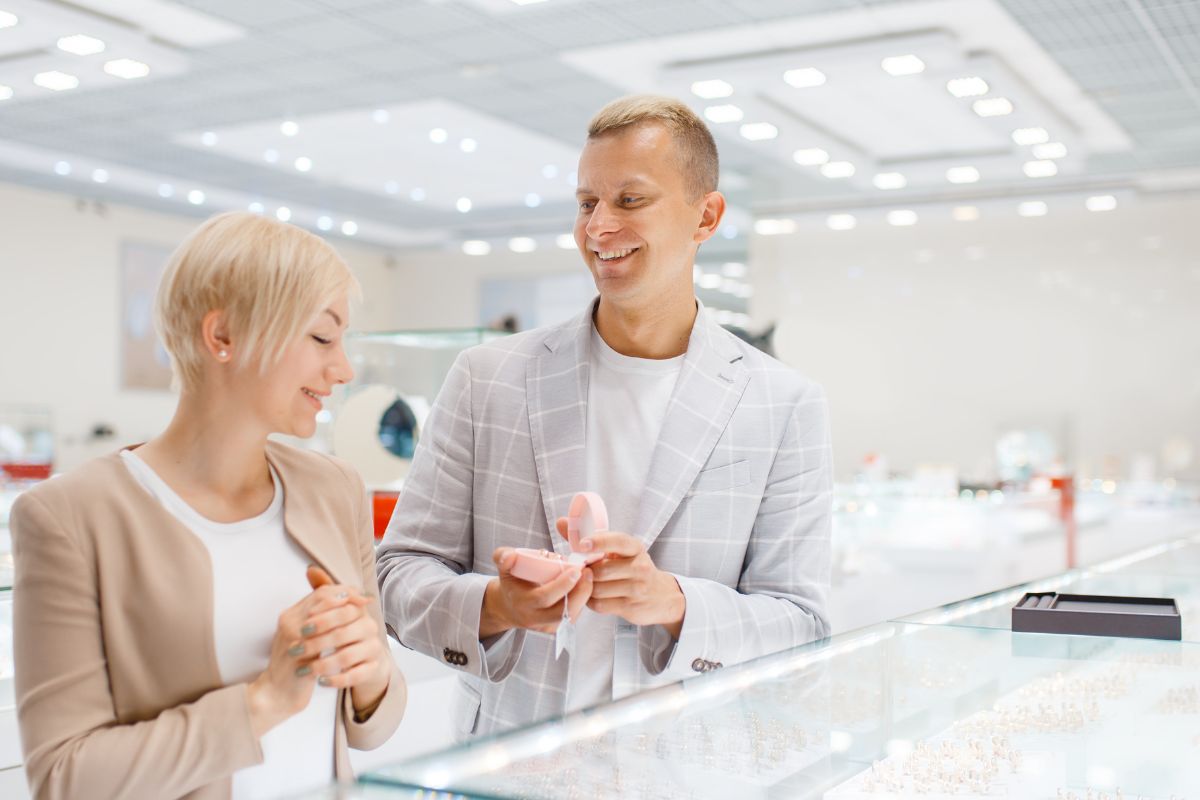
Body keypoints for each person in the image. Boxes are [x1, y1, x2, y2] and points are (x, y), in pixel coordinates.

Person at [377, 95, 831, 739]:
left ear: (707, 216)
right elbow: (397, 573)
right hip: (511, 767)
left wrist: (672, 604)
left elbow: (803, 626)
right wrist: (495, 605)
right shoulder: (488, 378)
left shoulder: (783, 403)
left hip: (689, 773)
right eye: (587, 202)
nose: (598, 227)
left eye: (630, 200)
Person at [10, 212, 406, 799]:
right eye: (322, 337)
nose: (342, 368)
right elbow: (65, 778)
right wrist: (264, 700)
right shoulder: (70, 517)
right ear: (221, 337)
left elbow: (373, 726)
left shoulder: (334, 489)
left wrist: (370, 671)